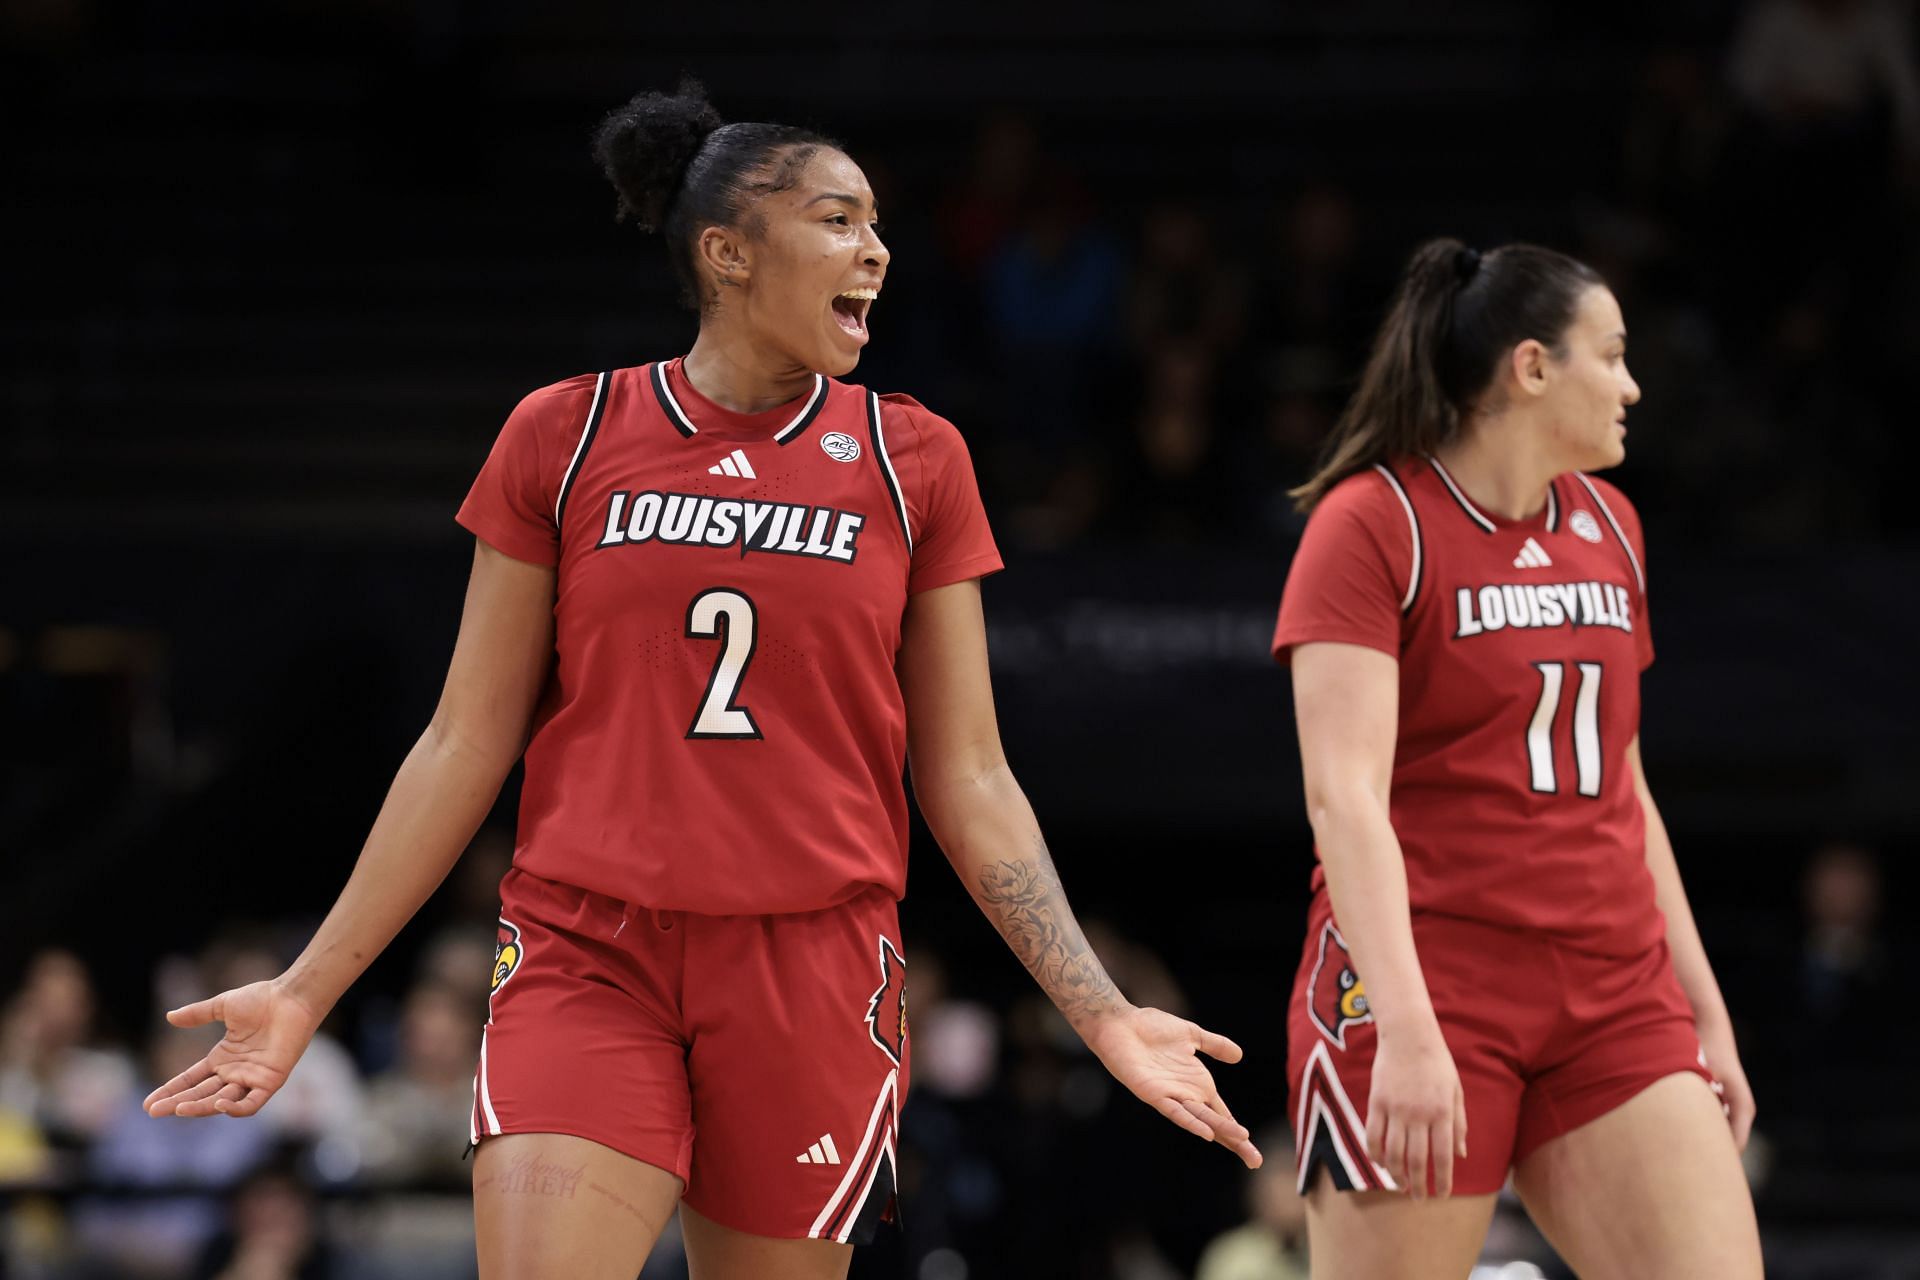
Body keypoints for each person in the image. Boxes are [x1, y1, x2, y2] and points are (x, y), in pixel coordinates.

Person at [144, 79, 1258, 1280]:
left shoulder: (913, 457)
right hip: (588, 946)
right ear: (728, 252)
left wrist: (1098, 1007)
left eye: (877, 224)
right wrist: (309, 988)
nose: (876, 250)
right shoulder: (563, 435)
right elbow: (463, 741)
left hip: (813, 964)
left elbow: (970, 773)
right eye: (839, 220)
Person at [1270, 239, 1762, 1277]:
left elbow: (1622, 781)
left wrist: (1704, 1010)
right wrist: (1405, 1029)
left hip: (1613, 988)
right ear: (1532, 367)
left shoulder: (1613, 526)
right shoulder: (1372, 522)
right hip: (1427, 982)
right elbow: (1342, 796)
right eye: (1613, 354)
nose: (1632, 384)